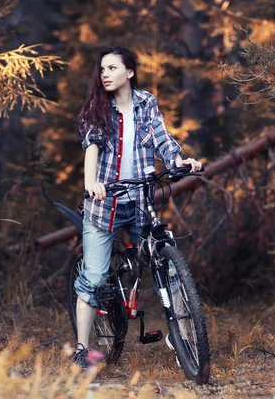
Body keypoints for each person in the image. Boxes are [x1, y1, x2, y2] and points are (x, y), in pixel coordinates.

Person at [74, 46, 202, 368]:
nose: (105, 74)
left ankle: (181, 331)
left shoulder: (146, 103)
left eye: (112, 68)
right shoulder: (95, 108)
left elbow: (161, 138)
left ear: (129, 72)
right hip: (105, 204)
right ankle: (81, 349)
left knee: (167, 255)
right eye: (102, 68)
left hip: (140, 202)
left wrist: (177, 160)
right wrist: (92, 183)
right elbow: (92, 145)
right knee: (94, 277)